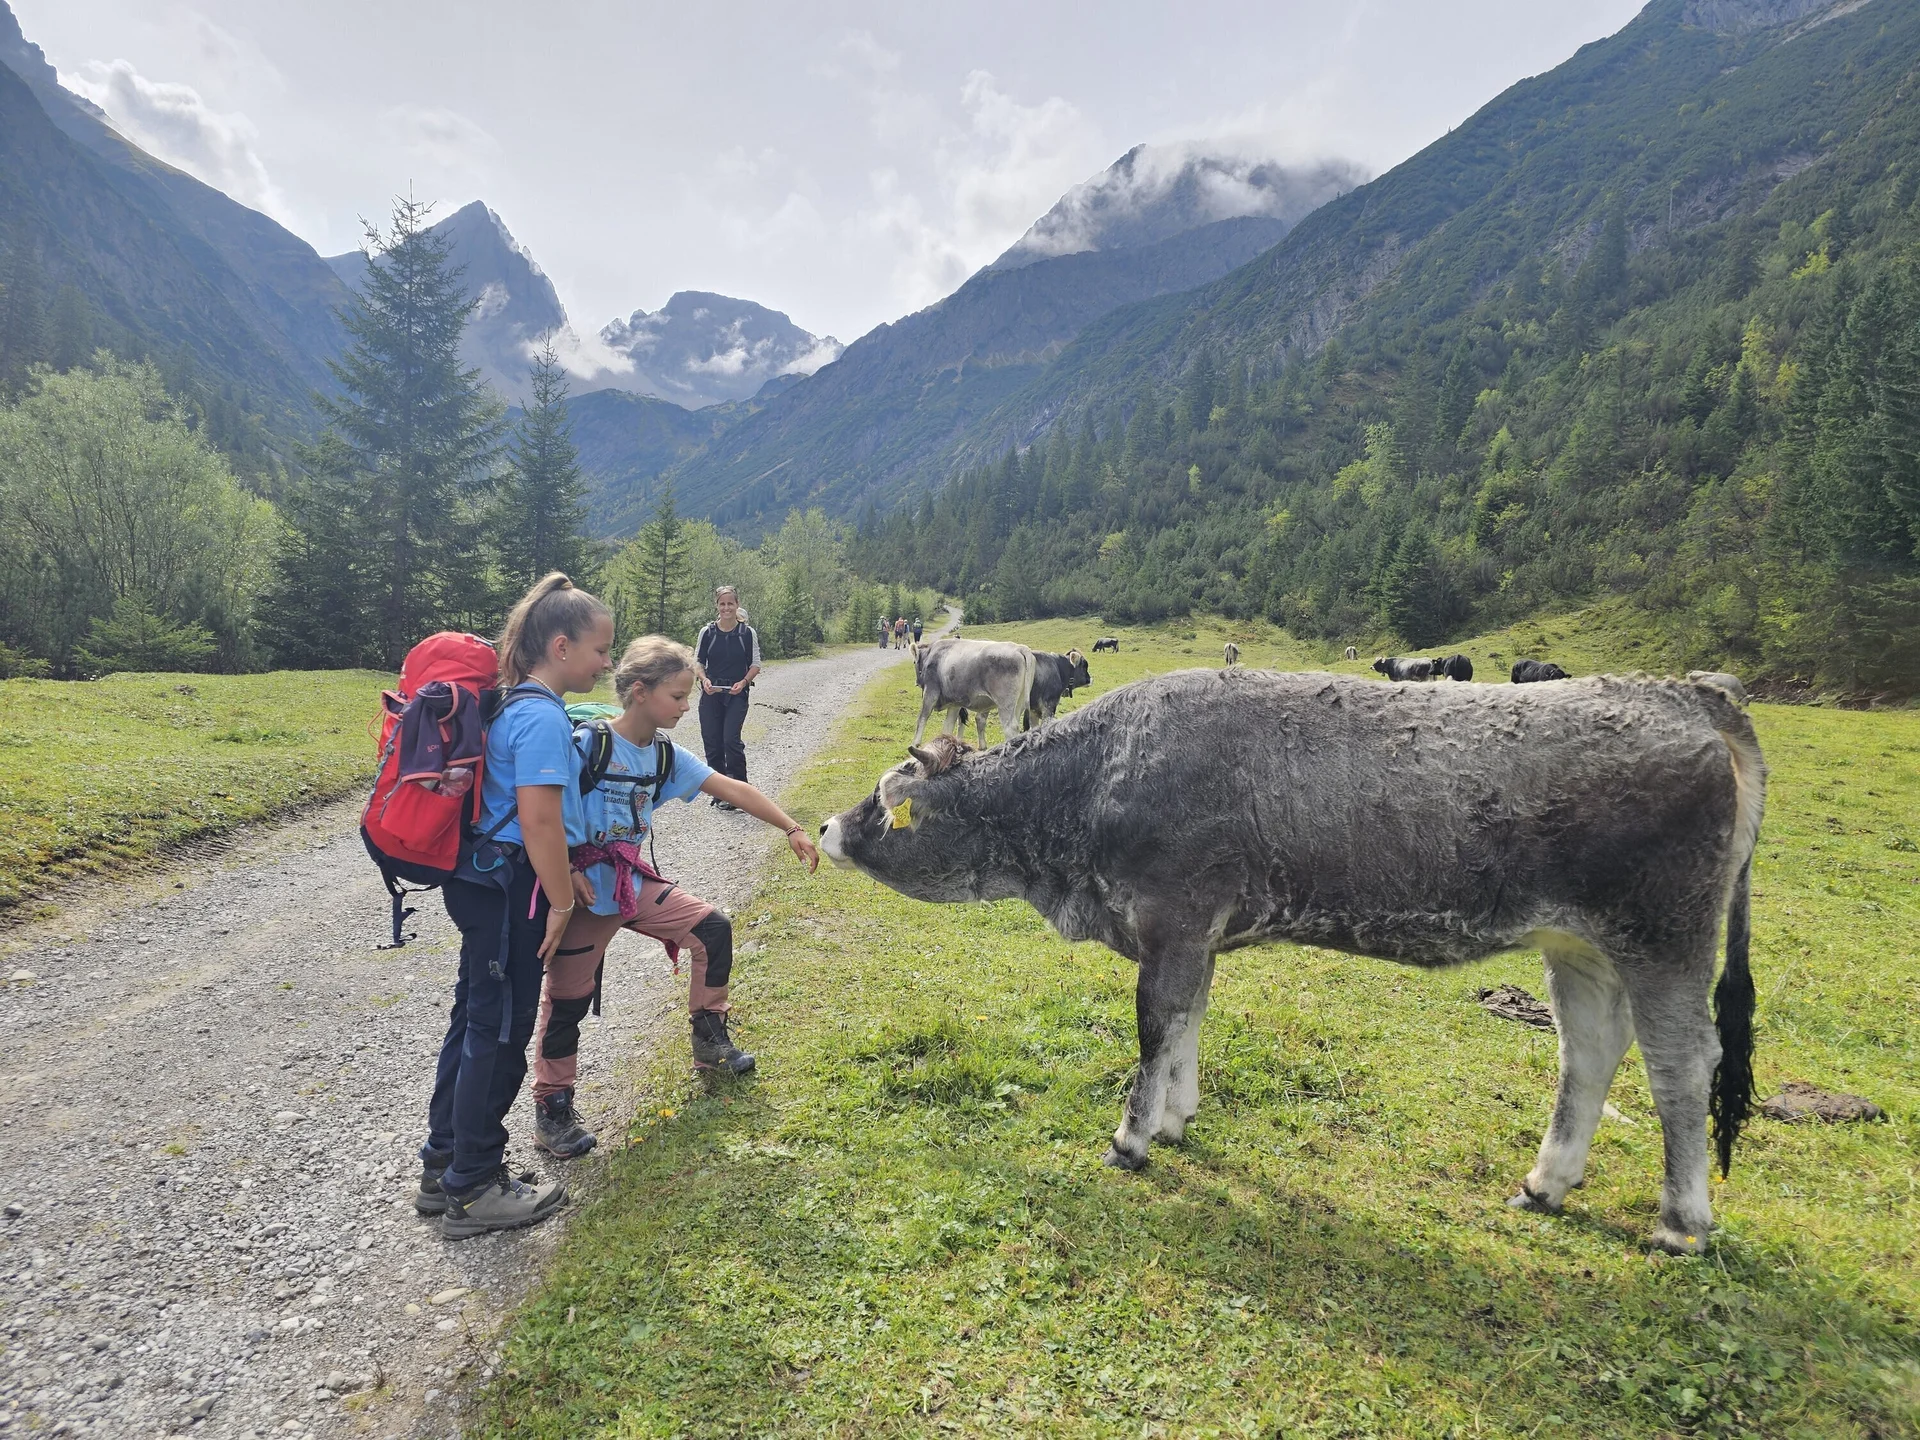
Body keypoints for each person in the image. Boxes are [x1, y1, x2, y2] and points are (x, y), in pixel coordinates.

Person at [530, 636, 820, 1155]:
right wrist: (566, 873)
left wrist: (791, 827)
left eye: (689, 697)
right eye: (679, 696)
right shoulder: (586, 745)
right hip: (578, 895)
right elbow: (547, 811)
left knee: (712, 928)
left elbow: (733, 788)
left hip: (629, 883)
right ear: (639, 692)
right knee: (567, 1002)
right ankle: (553, 1107)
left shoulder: (665, 754)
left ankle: (709, 1041)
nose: (688, 707)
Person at [415, 572, 613, 1238]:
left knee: (473, 1020)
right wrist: (560, 901)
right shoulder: (543, 719)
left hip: (476, 882)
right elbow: (541, 823)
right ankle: (472, 1190)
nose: (607, 663)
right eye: (599, 650)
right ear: (561, 647)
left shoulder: (509, 706)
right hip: (510, 891)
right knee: (499, 1037)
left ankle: (444, 1167)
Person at [694, 586, 760, 809]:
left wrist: (743, 682)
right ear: (717, 606)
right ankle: (720, 792)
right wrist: (704, 679)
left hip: (737, 694)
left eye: (730, 603)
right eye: (722, 604)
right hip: (711, 694)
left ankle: (740, 791)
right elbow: (698, 663)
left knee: (730, 741)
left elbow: (755, 664)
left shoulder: (746, 633)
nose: (726, 608)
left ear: (737, 604)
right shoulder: (708, 633)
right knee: (712, 743)